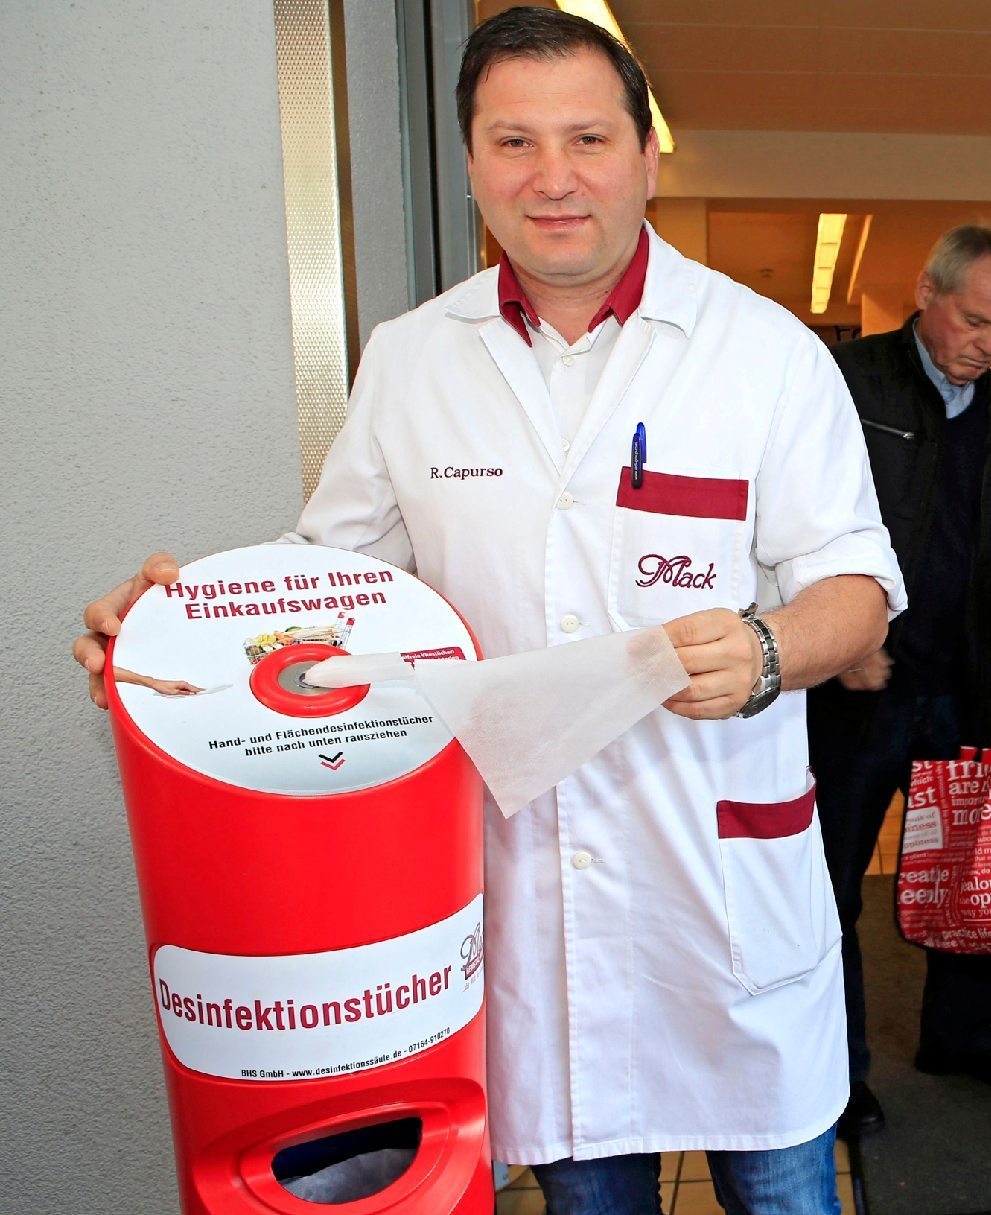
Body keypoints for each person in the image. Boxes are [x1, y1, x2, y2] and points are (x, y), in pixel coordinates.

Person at [73, 9, 903, 1214]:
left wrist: (772, 649)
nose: (553, 177)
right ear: (472, 163)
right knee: (587, 1197)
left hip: (721, 898)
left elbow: (860, 593)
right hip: (532, 904)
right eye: (515, 142)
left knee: (782, 1193)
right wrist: (172, 632)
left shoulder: (764, 353)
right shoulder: (413, 357)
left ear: (648, 156)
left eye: (588, 139)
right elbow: (330, 589)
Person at [808, 226, 991, 1139]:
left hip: (960, 680)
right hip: (856, 688)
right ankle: (834, 1073)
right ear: (927, 292)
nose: (989, 343)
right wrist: (835, 636)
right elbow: (784, 517)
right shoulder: (846, 386)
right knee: (828, 883)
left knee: (966, 878)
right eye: (975, 320)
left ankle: (960, 1032)